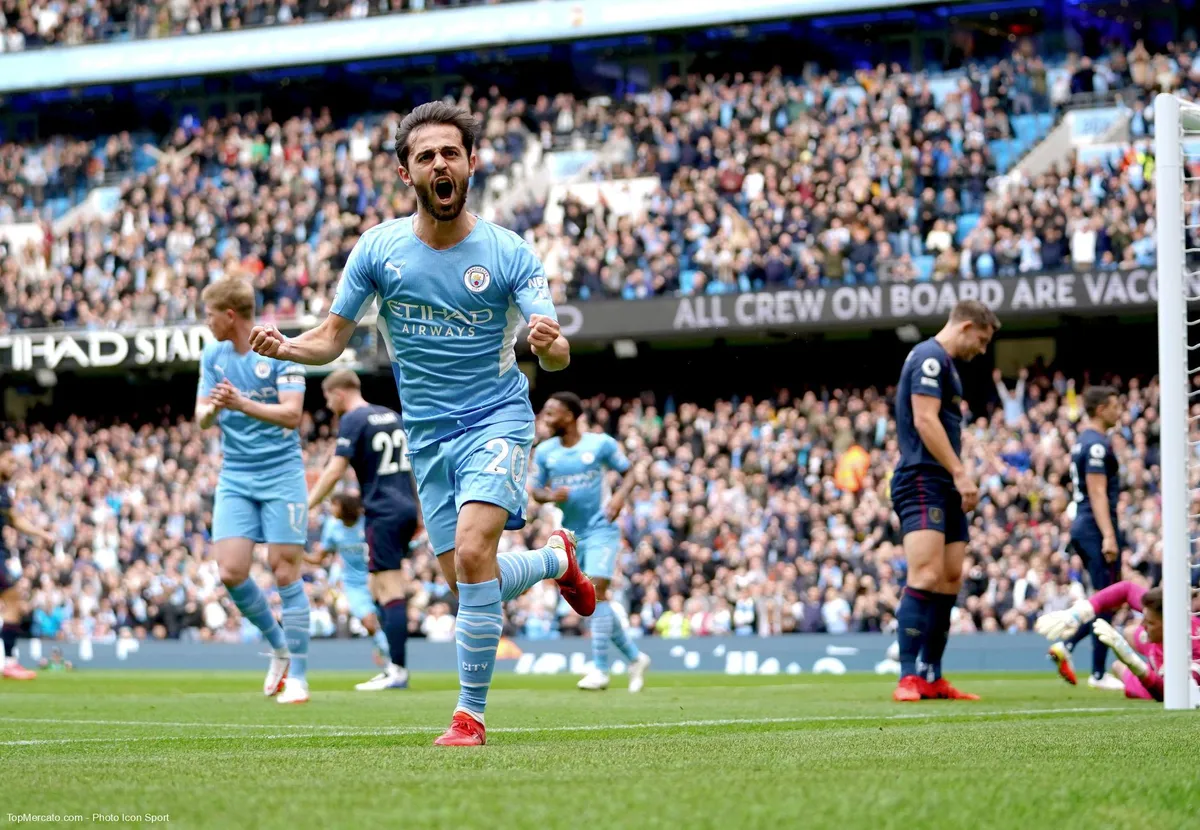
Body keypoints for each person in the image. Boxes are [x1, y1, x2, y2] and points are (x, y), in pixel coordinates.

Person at [247, 101, 595, 746]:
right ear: (407, 172)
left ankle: (470, 715)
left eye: (450, 153)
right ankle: (552, 560)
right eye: (426, 155)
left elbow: (557, 350)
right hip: (427, 434)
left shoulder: (509, 251)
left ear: (471, 163)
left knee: (470, 552)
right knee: (465, 582)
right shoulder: (378, 250)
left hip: (497, 417)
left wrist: (548, 344)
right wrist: (285, 346)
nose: (440, 163)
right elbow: (330, 338)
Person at [195, 277, 312, 705]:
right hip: (236, 474)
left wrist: (241, 403)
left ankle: (299, 676)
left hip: (282, 472)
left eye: (209, 313)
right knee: (230, 571)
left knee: (284, 571)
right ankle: (278, 645)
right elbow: (202, 417)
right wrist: (213, 410)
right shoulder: (213, 355)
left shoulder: (281, 348)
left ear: (229, 315)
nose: (205, 322)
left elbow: (291, 415)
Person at [890, 300, 999, 702]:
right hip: (922, 478)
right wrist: (959, 471)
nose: (982, 350)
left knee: (951, 576)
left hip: (945, 484)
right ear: (967, 326)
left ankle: (932, 675)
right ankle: (906, 677)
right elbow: (924, 419)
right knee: (925, 574)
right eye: (982, 340)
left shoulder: (947, 365)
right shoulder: (930, 357)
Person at [308, 370, 423, 691]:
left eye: (328, 398)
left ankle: (397, 670)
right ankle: (391, 665)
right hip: (403, 507)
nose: (329, 406)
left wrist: (309, 504)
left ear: (340, 393)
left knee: (389, 590)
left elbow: (335, 470)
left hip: (382, 512)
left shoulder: (354, 419)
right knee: (377, 587)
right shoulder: (392, 415)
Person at [533, 392, 652, 692]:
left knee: (597, 593)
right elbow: (536, 490)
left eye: (551, 412)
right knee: (593, 602)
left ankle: (600, 669)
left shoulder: (600, 444)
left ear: (570, 415)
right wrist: (550, 495)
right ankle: (635, 658)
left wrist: (619, 499)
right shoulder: (546, 451)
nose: (545, 418)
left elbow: (631, 474)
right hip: (571, 536)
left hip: (602, 528)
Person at [1047, 385, 1126, 691]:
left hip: (1086, 524)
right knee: (1107, 598)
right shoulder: (1095, 445)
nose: (1119, 411)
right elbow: (1096, 492)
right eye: (1114, 405)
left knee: (1106, 599)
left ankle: (1071, 649)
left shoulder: (1084, 442)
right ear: (1100, 409)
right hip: (1094, 526)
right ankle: (1094, 670)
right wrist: (1108, 535)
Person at [1036, 581, 1200, 701]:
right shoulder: (1164, 613)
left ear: (1168, 624)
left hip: (1164, 664)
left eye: (1149, 622)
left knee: (1118, 668)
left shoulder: (1193, 656)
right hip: (1157, 644)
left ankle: (1134, 673)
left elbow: (1169, 694)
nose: (1143, 624)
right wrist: (1078, 613)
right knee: (1130, 632)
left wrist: (1135, 664)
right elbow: (1127, 589)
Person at [0, 445, 55, 680]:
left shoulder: (4, 491)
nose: (14, 467)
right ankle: (9, 661)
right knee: (13, 600)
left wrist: (40, 533)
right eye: (9, 461)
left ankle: (9, 660)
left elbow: (16, 519)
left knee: (14, 601)